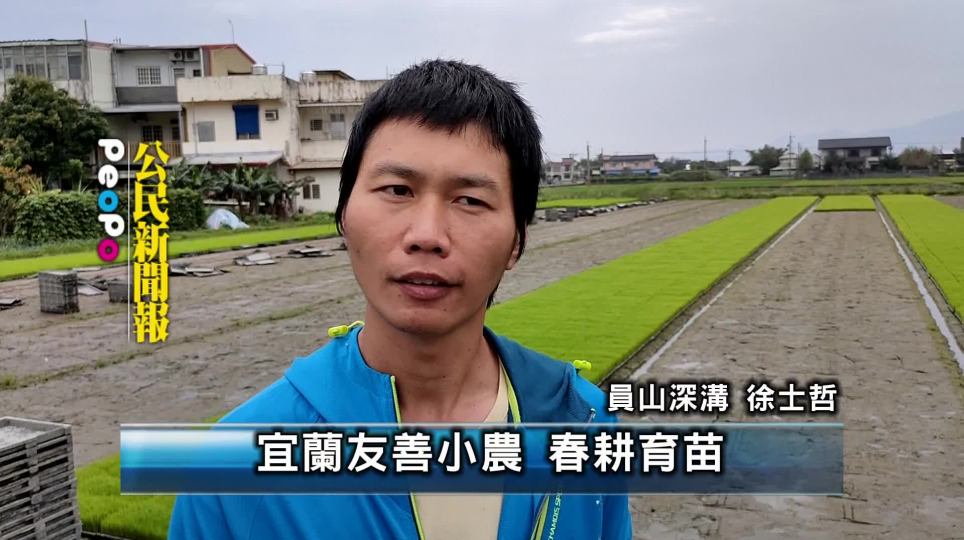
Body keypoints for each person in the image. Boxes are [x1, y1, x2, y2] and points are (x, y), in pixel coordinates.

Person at [169, 59, 631, 540]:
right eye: (397, 190)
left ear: (517, 241)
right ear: (344, 216)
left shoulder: (583, 424)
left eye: (470, 200)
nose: (427, 235)